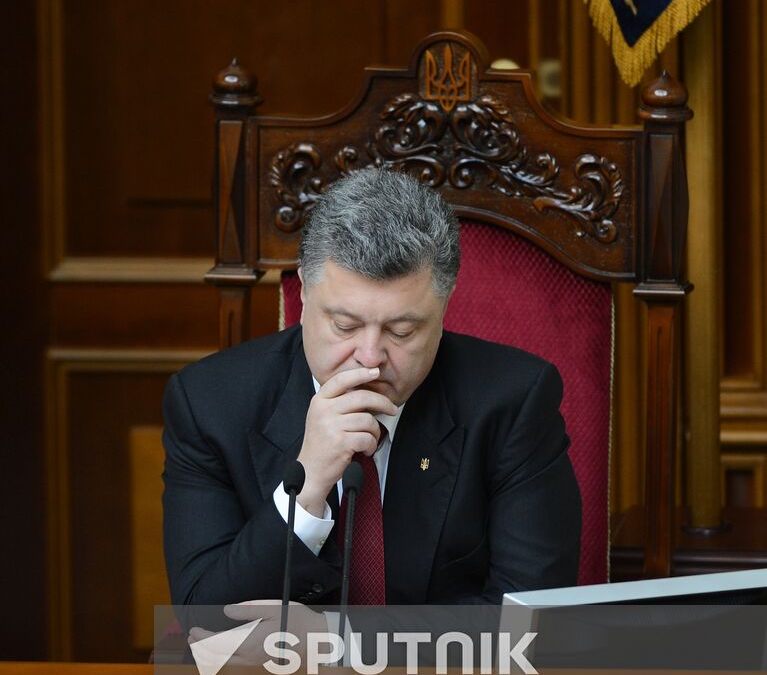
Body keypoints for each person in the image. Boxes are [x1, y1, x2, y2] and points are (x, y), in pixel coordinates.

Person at [162, 168, 581, 617]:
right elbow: (201, 619)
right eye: (345, 325)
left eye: (401, 331)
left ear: (445, 305)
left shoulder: (513, 401)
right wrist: (307, 487)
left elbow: (530, 619)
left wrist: (340, 648)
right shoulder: (209, 403)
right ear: (303, 291)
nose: (369, 357)